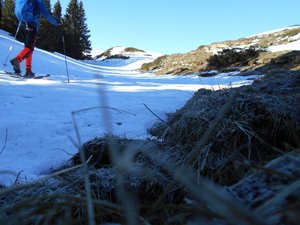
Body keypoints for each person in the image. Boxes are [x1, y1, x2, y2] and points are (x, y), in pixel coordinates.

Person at [10, 0, 59, 77]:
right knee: (29, 48)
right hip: (31, 26)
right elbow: (45, 13)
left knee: (28, 48)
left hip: (22, 24)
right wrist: (57, 22)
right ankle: (17, 60)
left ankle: (28, 70)